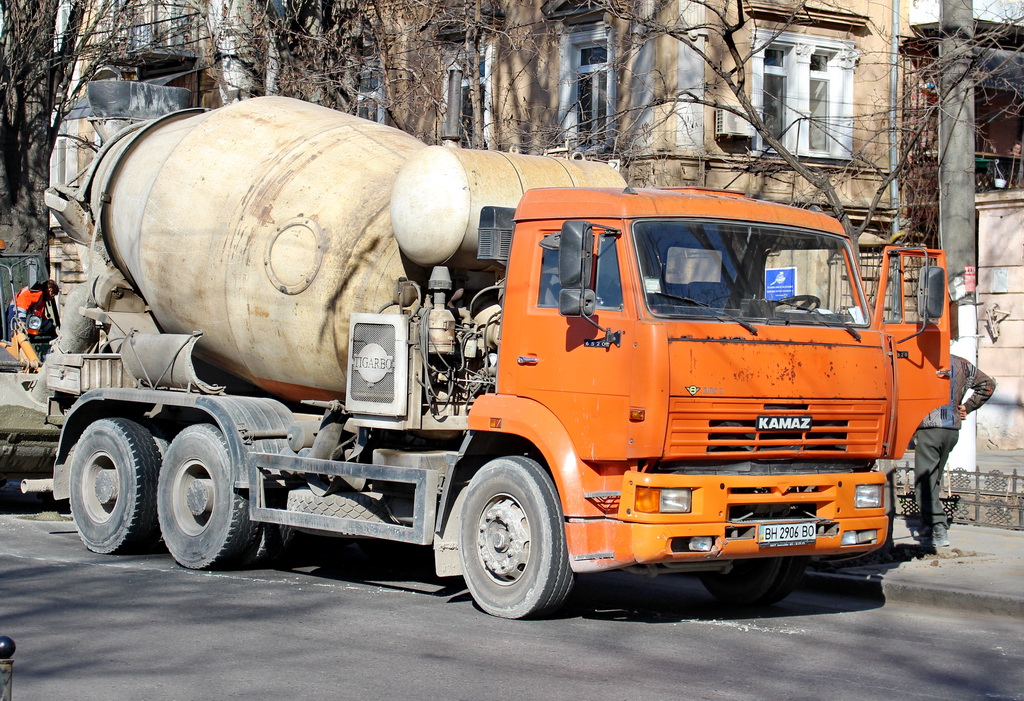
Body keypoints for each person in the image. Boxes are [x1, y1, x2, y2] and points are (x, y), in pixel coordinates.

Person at [913, 355, 996, 547]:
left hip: (929, 427)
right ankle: (928, 525)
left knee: (924, 481)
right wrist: (967, 407)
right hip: (952, 430)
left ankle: (938, 526)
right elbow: (988, 384)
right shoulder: (962, 363)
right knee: (934, 479)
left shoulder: (921, 361)